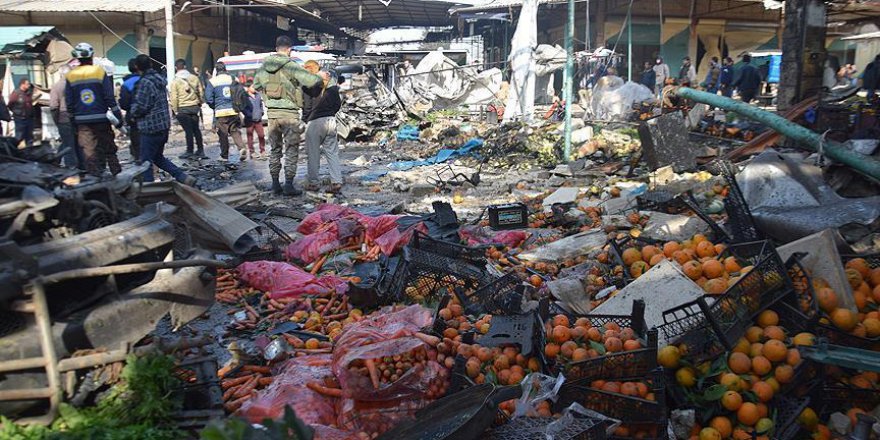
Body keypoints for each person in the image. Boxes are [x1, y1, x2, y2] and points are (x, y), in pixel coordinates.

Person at [252, 35, 322, 196]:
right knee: (291, 149)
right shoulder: (292, 65)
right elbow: (312, 81)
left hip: (272, 115)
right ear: (289, 49)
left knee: (275, 149)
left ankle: (275, 184)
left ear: (276, 48)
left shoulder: (264, 66)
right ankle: (289, 184)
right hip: (289, 114)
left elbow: (256, 85)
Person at [128, 55, 195, 185]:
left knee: (146, 162)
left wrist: (132, 113)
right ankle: (182, 177)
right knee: (157, 157)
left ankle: (149, 188)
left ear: (137, 67)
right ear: (151, 65)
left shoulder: (145, 83)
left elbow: (141, 106)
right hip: (163, 126)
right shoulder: (159, 79)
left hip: (150, 127)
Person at [65, 42, 123, 176]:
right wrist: (117, 115)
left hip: (82, 121)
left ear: (77, 58)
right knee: (108, 147)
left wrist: (72, 120)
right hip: (101, 118)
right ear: (91, 56)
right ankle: (116, 174)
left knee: (89, 152)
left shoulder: (70, 76)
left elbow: (69, 101)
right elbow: (109, 96)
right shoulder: (99, 72)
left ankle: (94, 177)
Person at [304, 71, 343, 193]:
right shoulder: (333, 89)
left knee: (313, 154)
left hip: (315, 121)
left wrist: (306, 118)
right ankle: (336, 181)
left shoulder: (310, 88)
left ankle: (313, 183)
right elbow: (338, 105)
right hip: (331, 120)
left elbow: (306, 106)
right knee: (332, 152)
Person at [206, 62, 247, 162]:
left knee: (223, 134)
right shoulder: (233, 79)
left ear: (217, 70)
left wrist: (214, 106)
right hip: (234, 110)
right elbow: (241, 93)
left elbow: (208, 98)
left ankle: (224, 155)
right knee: (234, 131)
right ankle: (241, 148)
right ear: (225, 69)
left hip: (221, 112)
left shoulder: (212, 81)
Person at [170, 58, 206, 159]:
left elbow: (174, 97)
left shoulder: (175, 81)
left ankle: (189, 150)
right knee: (196, 129)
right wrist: (200, 102)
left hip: (182, 108)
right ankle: (200, 150)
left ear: (176, 68)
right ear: (185, 66)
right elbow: (201, 91)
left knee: (188, 131)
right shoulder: (194, 78)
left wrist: (175, 109)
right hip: (194, 107)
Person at [49, 66, 83, 169]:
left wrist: (56, 120)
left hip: (63, 119)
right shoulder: (77, 85)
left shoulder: (56, 86)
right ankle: (82, 166)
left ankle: (71, 167)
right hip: (77, 118)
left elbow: (54, 106)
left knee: (68, 144)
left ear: (60, 74)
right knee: (78, 143)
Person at [119, 58, 141, 161]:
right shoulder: (146, 80)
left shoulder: (126, 84)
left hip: (132, 116)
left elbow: (124, 103)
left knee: (135, 138)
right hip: (148, 116)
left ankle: (137, 158)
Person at [7, 79, 39, 147]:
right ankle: (12, 149)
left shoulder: (28, 93)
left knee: (30, 137)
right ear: (22, 84)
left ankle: (29, 152)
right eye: (27, 84)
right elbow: (10, 105)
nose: (28, 85)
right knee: (19, 137)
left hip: (29, 118)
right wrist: (18, 112)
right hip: (20, 119)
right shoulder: (16, 93)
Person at [244, 82, 266, 160]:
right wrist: (249, 115)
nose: (254, 88)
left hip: (258, 119)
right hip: (249, 120)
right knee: (250, 137)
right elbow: (243, 108)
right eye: (253, 87)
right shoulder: (245, 96)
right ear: (249, 88)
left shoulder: (258, 95)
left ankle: (262, 150)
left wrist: (261, 112)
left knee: (261, 135)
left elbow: (260, 105)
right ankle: (252, 152)